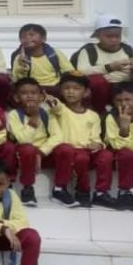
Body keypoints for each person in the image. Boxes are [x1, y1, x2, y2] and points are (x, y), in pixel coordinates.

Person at [72, 15, 133, 112]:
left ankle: (131, 112)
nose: (114, 40)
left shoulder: (127, 49)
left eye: (117, 36)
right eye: (109, 36)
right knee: (97, 82)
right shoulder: (89, 50)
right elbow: (81, 72)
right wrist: (109, 67)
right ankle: (99, 113)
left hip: (124, 86)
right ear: (98, 35)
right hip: (103, 89)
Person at [7, 77, 66, 207]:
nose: (29, 96)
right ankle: (27, 188)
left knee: (65, 149)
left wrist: (40, 152)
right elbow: (23, 139)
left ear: (41, 97)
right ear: (16, 98)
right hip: (24, 154)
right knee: (28, 149)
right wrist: (33, 119)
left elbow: (58, 136)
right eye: (24, 93)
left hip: (43, 153)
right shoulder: (14, 115)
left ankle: (59, 188)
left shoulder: (47, 113)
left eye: (34, 93)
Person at [97, 82, 133, 211]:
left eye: (128, 99)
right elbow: (116, 146)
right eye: (119, 100)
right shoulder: (111, 118)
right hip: (119, 159)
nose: (123, 104)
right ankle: (124, 192)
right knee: (126, 153)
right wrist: (124, 129)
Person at [50, 72, 104, 207]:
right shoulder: (60, 110)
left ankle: (84, 191)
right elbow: (56, 105)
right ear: (61, 91)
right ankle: (59, 189)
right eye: (66, 88)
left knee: (86, 157)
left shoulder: (93, 115)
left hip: (83, 151)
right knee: (68, 150)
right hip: (64, 151)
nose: (70, 92)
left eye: (76, 88)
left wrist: (98, 144)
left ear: (86, 92)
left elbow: (95, 137)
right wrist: (50, 100)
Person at [10, 24, 73, 92]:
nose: (27, 38)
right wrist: (21, 66)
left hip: (55, 87)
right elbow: (16, 79)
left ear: (43, 38)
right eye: (23, 37)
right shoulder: (19, 57)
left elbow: (69, 71)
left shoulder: (54, 53)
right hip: (33, 90)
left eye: (31, 35)